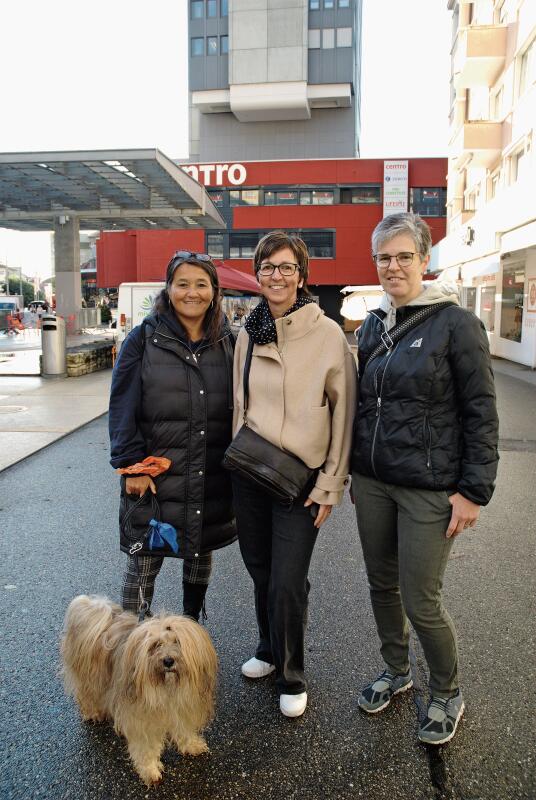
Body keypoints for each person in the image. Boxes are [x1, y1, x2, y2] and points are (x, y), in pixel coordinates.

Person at [352, 212, 499, 745]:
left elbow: (481, 410)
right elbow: (363, 404)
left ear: (424, 259)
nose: (393, 266)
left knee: (422, 599)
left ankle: (446, 692)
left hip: (431, 489)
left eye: (403, 256)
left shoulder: (455, 323)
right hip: (372, 483)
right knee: (381, 586)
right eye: (384, 258)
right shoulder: (373, 324)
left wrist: (473, 491)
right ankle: (396, 671)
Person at [231, 231, 357, 718]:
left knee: (288, 579)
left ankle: (292, 672)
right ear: (257, 275)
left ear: (302, 277)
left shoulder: (327, 335)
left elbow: (343, 416)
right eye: (267, 267)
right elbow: (238, 405)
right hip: (251, 475)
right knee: (261, 571)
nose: (275, 276)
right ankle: (267, 647)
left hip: (300, 479)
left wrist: (330, 484)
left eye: (285, 268)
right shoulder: (248, 331)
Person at [109, 250, 237, 622]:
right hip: (154, 476)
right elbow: (121, 407)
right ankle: (129, 646)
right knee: (143, 564)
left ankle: (190, 633)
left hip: (209, 473)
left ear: (214, 291)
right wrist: (132, 466)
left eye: (201, 284)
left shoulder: (227, 342)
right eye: (182, 284)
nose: (191, 292)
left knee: (198, 556)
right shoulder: (143, 339)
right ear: (169, 289)